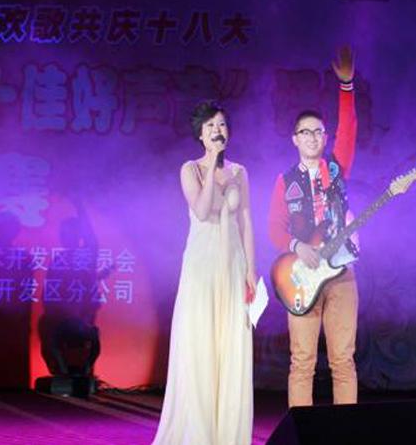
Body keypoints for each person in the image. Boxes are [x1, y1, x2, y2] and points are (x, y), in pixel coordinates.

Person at [153, 100, 257, 445]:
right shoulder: (190, 169)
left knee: (231, 345)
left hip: (233, 265)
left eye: (222, 124)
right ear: (200, 134)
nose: (217, 130)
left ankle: (228, 434)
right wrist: (212, 164)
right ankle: (198, 433)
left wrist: (251, 269)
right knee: (201, 343)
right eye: (211, 126)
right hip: (201, 266)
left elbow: (246, 221)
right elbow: (200, 210)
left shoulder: (240, 172)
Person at [268, 46, 359, 407]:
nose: (312, 137)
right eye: (304, 132)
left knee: (343, 361)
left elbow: (349, 130)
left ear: (325, 137)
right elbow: (274, 229)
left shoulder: (336, 168)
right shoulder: (285, 180)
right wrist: (296, 246)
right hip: (302, 277)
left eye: (318, 132)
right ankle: (301, 430)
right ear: (295, 139)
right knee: (302, 362)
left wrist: (346, 86)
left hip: (341, 274)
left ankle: (347, 432)